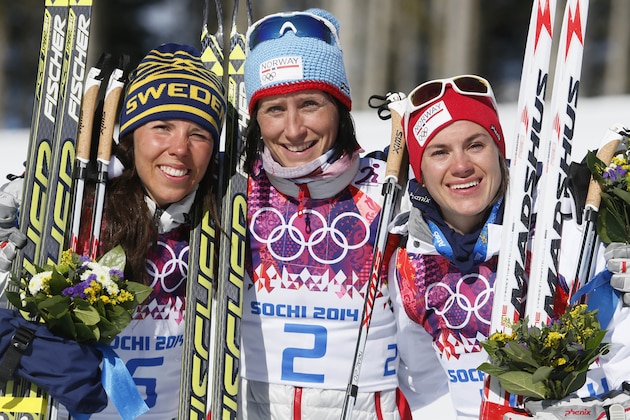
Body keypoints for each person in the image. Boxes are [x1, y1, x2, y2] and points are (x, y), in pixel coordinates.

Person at [0, 43, 226, 418]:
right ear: (131, 136)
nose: (180, 149)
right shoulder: (76, 212)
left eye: (199, 134)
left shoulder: (222, 225)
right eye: (162, 127)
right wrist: (22, 343)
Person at [240, 8, 412, 420]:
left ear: (339, 107)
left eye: (310, 104)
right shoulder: (235, 196)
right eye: (275, 109)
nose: (294, 129)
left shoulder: (392, 189)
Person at [386, 75, 510, 420]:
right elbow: (425, 390)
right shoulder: (407, 264)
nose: (461, 166)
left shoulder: (559, 234)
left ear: (499, 151)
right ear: (420, 172)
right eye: (440, 152)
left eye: (475, 145)